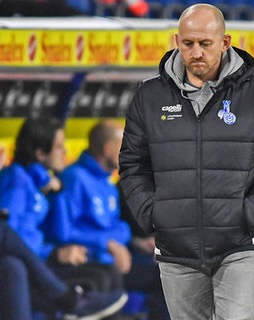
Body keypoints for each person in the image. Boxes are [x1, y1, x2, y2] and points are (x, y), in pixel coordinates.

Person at [118, 3, 254, 319]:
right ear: (177, 41)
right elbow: (133, 165)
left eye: (205, 44)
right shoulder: (149, 96)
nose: (196, 52)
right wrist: (153, 213)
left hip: (240, 244)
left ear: (225, 42)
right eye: (188, 44)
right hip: (176, 249)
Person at [0, 116, 128, 317]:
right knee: (98, 278)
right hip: (16, 270)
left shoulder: (40, 181)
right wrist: (54, 254)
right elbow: (6, 239)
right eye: (59, 147)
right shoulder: (16, 183)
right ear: (40, 153)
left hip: (35, 263)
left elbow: (61, 232)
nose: (65, 152)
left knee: (108, 273)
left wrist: (59, 192)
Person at [46, 120, 170, 320]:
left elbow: (120, 227)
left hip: (117, 259)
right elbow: (64, 232)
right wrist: (106, 242)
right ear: (107, 148)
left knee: (168, 274)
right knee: (106, 276)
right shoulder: (75, 178)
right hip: (87, 262)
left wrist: (130, 242)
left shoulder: (108, 182)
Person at [0, 206, 127, 320]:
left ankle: (68, 300)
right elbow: (61, 233)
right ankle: (67, 298)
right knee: (0, 231)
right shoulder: (17, 181)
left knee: (11, 267)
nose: (63, 153)